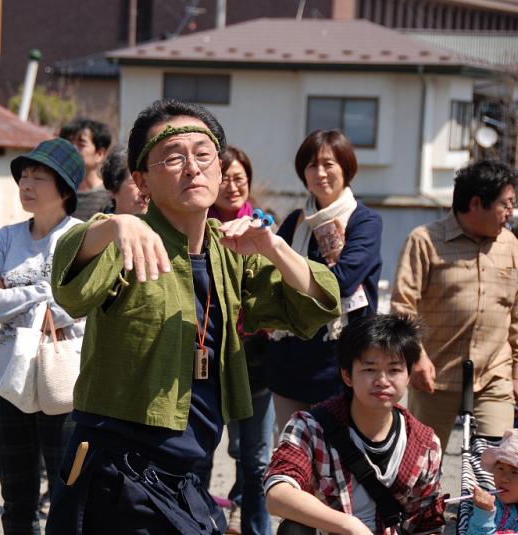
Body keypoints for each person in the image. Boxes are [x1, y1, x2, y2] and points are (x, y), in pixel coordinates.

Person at [45, 99, 340, 534]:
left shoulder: (232, 249)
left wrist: (275, 247)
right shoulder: (127, 236)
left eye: (203, 155)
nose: (192, 168)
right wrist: (113, 225)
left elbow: (316, 305)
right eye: (173, 157)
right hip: (117, 465)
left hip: (192, 466)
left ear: (220, 170)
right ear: (141, 179)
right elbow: (68, 286)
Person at [0, 137, 86, 535]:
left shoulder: (82, 237)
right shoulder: (6, 237)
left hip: (63, 377)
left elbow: (78, 307)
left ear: (66, 188)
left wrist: (10, 293)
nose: (27, 184)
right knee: (16, 495)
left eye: (39, 176)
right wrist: (43, 292)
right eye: (23, 176)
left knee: (67, 491)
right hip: (5, 376)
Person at [265, 314, 447, 535]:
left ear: (408, 375)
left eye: (394, 370)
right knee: (293, 530)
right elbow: (277, 495)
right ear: (347, 375)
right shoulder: (310, 427)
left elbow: (427, 524)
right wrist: (348, 525)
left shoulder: (425, 443)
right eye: (369, 369)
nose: (382, 380)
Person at [391, 159, 518, 451]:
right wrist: (417, 357)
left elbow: (516, 317)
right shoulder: (424, 241)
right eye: (506, 204)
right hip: (434, 376)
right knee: (423, 466)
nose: (510, 213)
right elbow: (403, 305)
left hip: (494, 375)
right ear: (476, 203)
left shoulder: (511, 246)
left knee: (498, 465)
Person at [265, 129, 382, 432]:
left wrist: (290, 273)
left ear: (346, 167)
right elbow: (270, 276)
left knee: (337, 457)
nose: (320, 173)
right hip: (290, 357)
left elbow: (340, 284)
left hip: (340, 360)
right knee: (292, 456)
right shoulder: (296, 222)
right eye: (311, 165)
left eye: (329, 164)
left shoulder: (364, 221)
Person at [211, 145, 275, 535]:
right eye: (226, 179)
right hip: (208, 358)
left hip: (256, 360)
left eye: (240, 178)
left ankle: (258, 529)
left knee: (255, 461)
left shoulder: (264, 226)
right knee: (198, 454)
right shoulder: (197, 226)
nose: (233, 187)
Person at [59, 118, 112, 220]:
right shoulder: (57, 195)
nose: (73, 149)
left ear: (100, 154)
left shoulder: (110, 197)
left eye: (81, 144)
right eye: (69, 143)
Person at [469, 429, 518, 534]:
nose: (504, 478)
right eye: (500, 469)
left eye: (515, 472)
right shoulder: (489, 505)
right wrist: (483, 514)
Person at [101, 147, 148, 215]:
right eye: (135, 182)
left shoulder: (160, 224)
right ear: (113, 189)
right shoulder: (99, 225)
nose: (144, 192)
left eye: (147, 182)